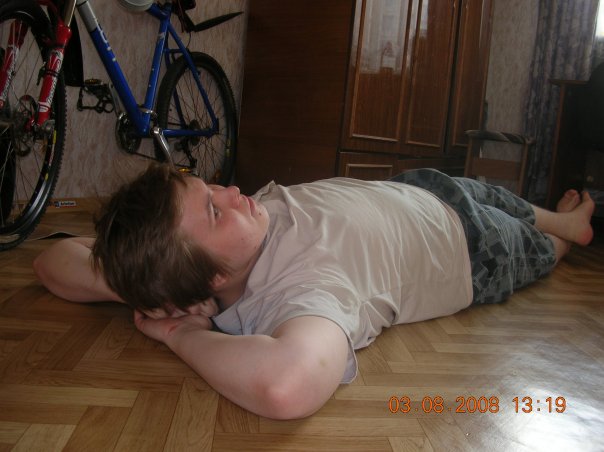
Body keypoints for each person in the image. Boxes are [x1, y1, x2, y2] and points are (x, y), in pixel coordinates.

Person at [33, 164, 595, 420]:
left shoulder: (181, 262)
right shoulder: (297, 294)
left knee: (500, 195)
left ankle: (560, 219)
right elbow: (285, 386)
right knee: (535, 243)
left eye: (211, 188)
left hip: (414, 188)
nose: (232, 191)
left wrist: (138, 285)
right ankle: (565, 238)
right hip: (472, 249)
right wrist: (181, 334)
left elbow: (50, 261)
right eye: (214, 211)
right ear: (211, 281)